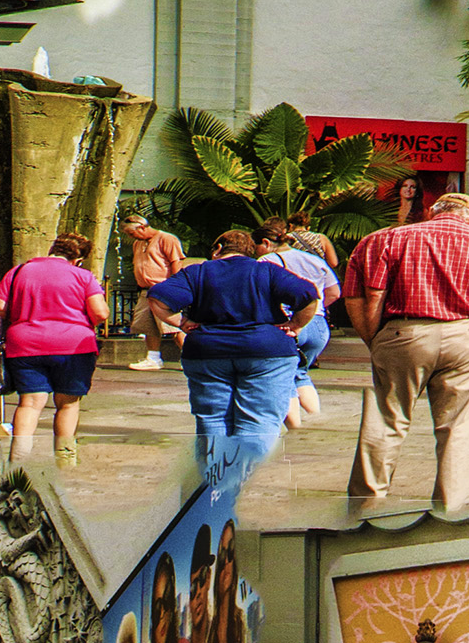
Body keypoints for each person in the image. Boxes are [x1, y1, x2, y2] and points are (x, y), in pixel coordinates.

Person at [121, 208, 332, 630]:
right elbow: (311, 295)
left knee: (212, 420)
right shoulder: (266, 272)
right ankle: (254, 485)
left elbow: (158, 299)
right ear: (251, 249)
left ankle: (215, 487)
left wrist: (183, 323)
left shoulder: (199, 274)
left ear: (217, 249)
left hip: (208, 352)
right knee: (259, 422)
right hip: (266, 352)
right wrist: (292, 325)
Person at [351, 172, 469, 514]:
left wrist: (374, 339)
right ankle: (451, 511)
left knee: (387, 420)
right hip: (466, 335)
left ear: (432, 211)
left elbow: (359, 297)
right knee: (458, 427)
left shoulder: (387, 239)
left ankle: (364, 506)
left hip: (403, 333)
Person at [0, 225, 108, 461]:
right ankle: (65, 459)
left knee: (30, 403)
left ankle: (18, 459)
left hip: (24, 345)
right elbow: (100, 313)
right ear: (78, 259)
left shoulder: (18, 271)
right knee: (68, 404)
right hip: (72, 346)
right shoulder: (83, 276)